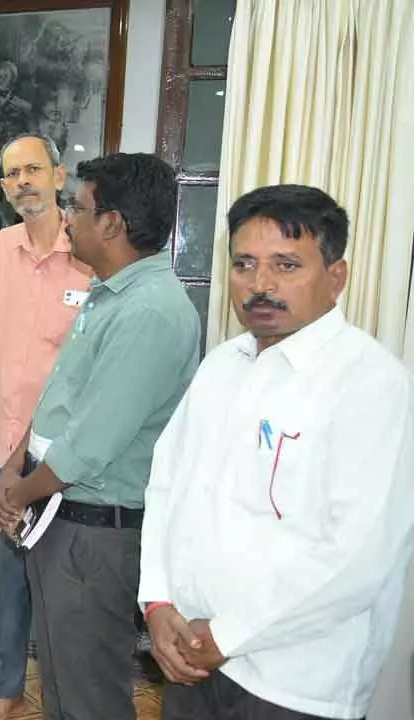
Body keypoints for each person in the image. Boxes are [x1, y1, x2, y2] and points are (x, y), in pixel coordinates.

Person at [139, 185, 414, 720]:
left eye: (287, 265)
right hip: (191, 656)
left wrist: (226, 635)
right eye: (244, 264)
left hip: (295, 683)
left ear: (337, 278)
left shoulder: (370, 383)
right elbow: (167, 484)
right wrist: (158, 602)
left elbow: (358, 557)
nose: (260, 285)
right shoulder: (223, 364)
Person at [0, 153, 200, 720]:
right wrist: (13, 468)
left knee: (90, 700)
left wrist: (19, 493)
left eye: (77, 210)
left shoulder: (151, 312)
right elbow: (58, 399)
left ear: (113, 223)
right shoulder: (108, 294)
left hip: (94, 532)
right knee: (63, 687)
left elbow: (92, 441)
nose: (67, 222)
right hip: (59, 516)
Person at [0, 134, 91, 720]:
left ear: (58, 175)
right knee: (13, 575)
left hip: (65, 452)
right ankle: (5, 692)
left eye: (33, 170)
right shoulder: (1, 247)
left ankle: (62, 698)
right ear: (4, 188)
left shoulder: (90, 252)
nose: (23, 181)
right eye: (12, 174)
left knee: (61, 584)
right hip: (6, 443)